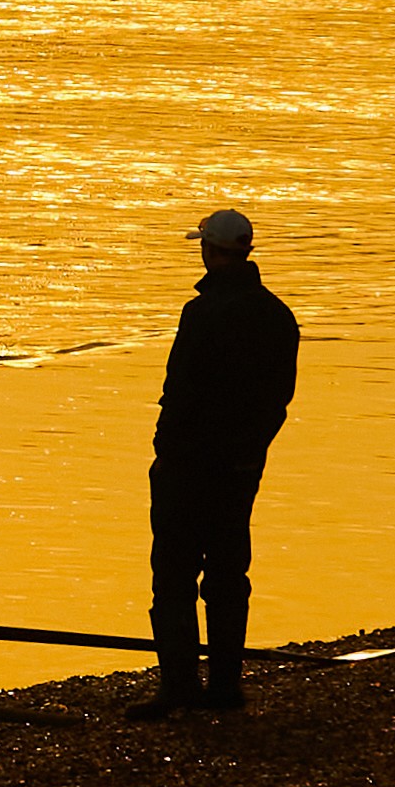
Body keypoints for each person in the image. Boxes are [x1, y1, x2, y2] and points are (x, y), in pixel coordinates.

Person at [140, 209, 300, 718]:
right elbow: (278, 401)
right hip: (240, 467)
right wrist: (249, 453)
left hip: (191, 464)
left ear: (210, 250)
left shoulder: (202, 313)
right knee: (229, 574)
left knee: (174, 576)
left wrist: (165, 455)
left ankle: (180, 686)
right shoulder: (277, 315)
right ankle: (226, 687)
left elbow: (180, 392)